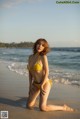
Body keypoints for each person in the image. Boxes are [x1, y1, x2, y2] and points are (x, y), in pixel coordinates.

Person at [26, 38, 74, 112]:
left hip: (44, 83)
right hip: (35, 84)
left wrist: (42, 85)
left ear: (45, 48)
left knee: (43, 108)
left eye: (43, 45)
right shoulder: (30, 57)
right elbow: (30, 73)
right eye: (38, 44)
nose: (40, 46)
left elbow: (47, 72)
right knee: (29, 106)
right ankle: (35, 97)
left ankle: (63, 107)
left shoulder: (43, 57)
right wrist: (30, 85)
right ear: (36, 45)